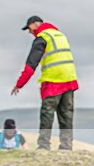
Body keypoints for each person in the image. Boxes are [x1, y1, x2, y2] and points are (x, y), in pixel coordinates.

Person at [12, 15, 79, 150]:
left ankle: (43, 145)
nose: (29, 32)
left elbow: (31, 65)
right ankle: (66, 146)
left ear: (34, 25)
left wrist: (19, 84)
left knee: (47, 114)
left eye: (29, 29)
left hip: (53, 81)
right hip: (69, 79)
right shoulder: (60, 35)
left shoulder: (43, 38)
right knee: (66, 115)